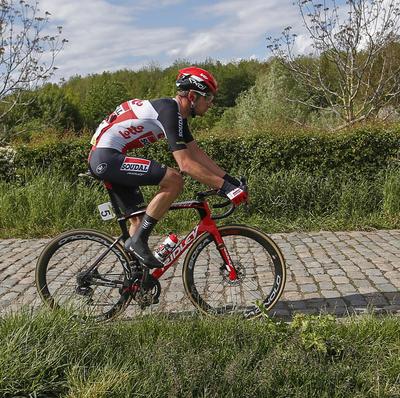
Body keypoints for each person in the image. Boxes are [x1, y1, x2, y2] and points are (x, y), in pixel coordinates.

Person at [88, 66, 249, 268]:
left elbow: (196, 154)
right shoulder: (169, 111)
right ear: (192, 95)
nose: (210, 103)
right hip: (106, 158)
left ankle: (134, 282)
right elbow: (186, 165)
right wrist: (226, 189)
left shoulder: (178, 116)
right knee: (174, 180)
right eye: (207, 97)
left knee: (137, 222)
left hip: (109, 157)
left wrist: (231, 182)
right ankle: (138, 243)